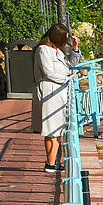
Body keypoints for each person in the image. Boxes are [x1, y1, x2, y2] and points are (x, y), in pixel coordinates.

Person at [35, 23, 74, 172]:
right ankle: (50, 164)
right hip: (50, 92)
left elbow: (70, 64)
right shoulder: (43, 50)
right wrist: (66, 78)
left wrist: (75, 49)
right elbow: (48, 72)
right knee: (51, 129)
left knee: (58, 128)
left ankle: (53, 162)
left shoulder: (57, 50)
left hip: (58, 92)